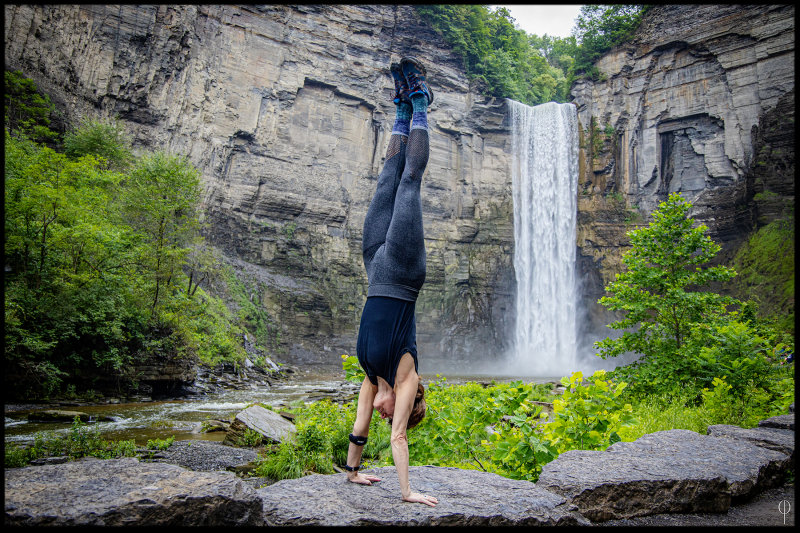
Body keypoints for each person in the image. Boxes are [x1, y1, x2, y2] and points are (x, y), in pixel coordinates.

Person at [343, 56, 438, 508]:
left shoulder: (370, 379)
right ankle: (420, 101)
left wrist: (353, 472)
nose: (381, 416)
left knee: (385, 183)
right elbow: (397, 437)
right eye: (390, 413)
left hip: (373, 269)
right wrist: (407, 493)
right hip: (401, 273)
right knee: (408, 185)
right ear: (410, 401)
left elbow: (359, 427)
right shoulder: (405, 379)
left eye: (381, 413)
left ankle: (400, 108)